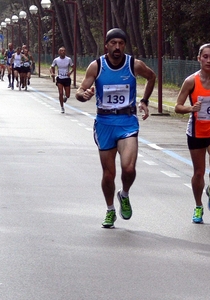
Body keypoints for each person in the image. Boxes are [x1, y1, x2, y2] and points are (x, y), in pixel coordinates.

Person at [75, 28, 156, 228]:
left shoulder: (133, 64)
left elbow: (152, 77)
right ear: (107, 45)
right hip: (104, 123)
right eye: (113, 43)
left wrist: (144, 100)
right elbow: (80, 90)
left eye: (121, 43)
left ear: (125, 46)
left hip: (127, 121)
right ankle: (110, 209)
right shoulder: (97, 66)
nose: (117, 47)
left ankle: (125, 194)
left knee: (128, 168)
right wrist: (83, 95)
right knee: (108, 174)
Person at [174, 43, 210, 224]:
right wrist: (191, 108)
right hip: (196, 131)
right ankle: (198, 206)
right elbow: (177, 106)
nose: (208, 60)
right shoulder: (191, 81)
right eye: (205, 57)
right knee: (198, 173)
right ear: (199, 58)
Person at [50, 47, 74, 113]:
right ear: (59, 52)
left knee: (68, 95)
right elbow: (51, 67)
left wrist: (70, 72)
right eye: (61, 51)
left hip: (66, 78)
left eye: (64, 51)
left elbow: (73, 67)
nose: (63, 52)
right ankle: (62, 107)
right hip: (60, 78)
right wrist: (52, 73)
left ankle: (65, 97)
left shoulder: (68, 59)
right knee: (60, 93)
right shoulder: (56, 60)